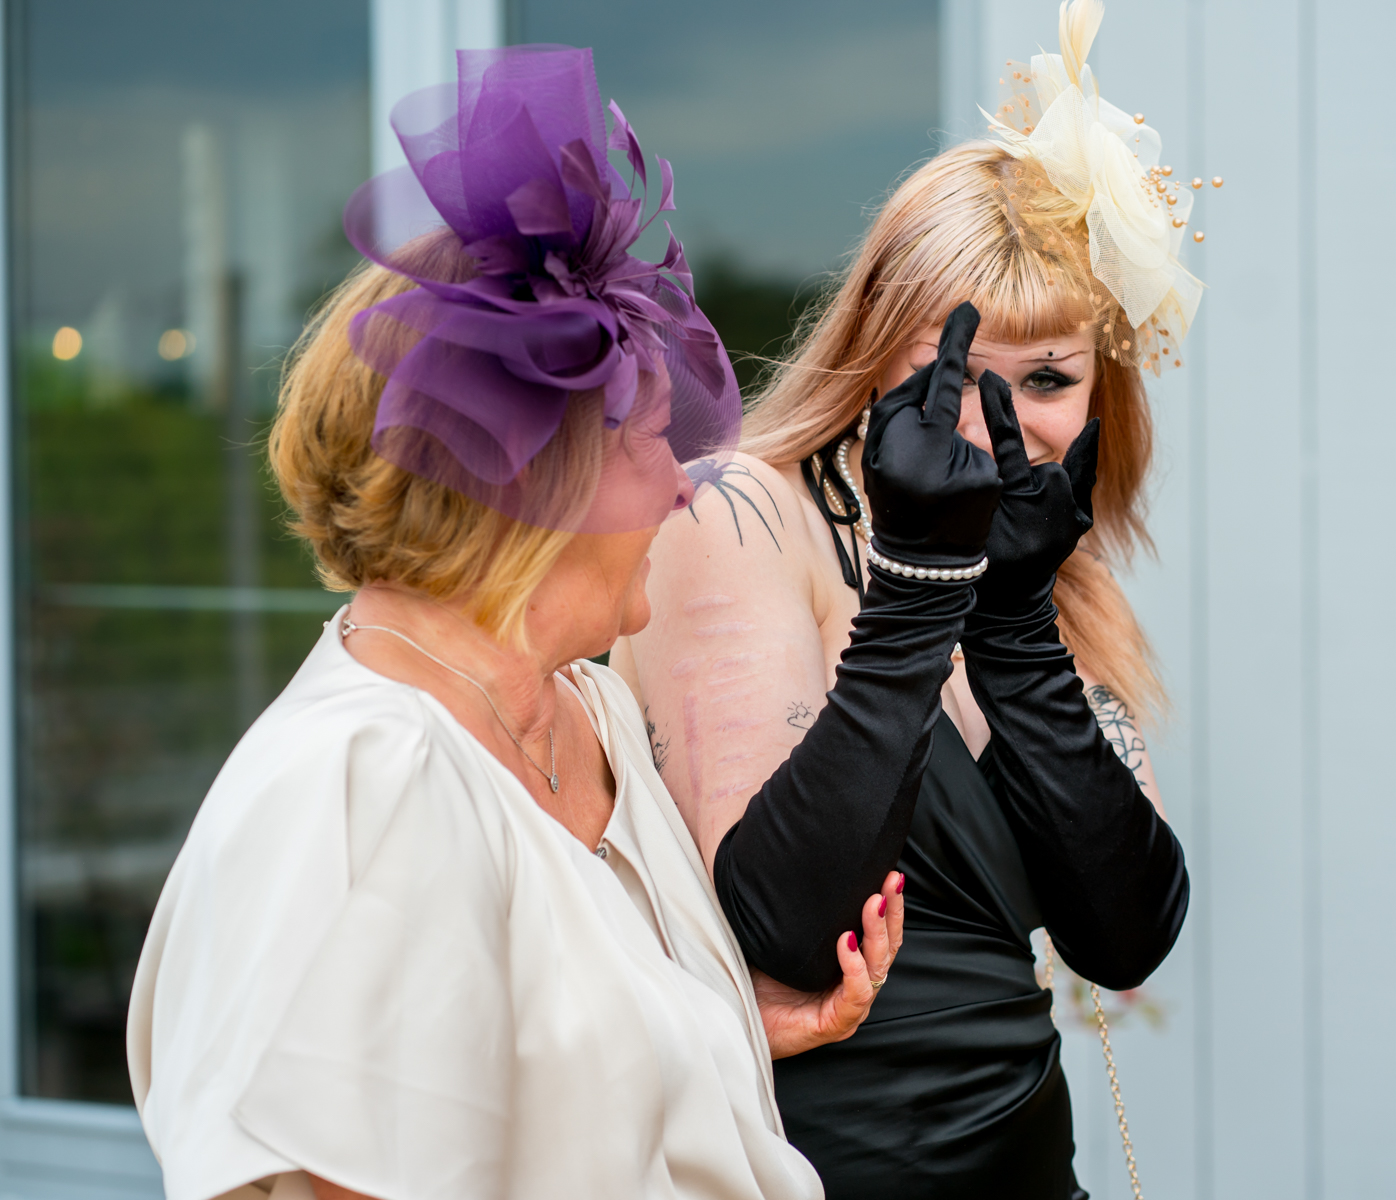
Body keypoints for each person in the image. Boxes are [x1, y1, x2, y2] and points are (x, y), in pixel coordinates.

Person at [125, 46, 910, 1200]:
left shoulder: (580, 707)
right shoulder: (363, 786)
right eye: (652, 441)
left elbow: (539, 1061)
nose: (689, 485)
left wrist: (728, 1028)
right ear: (530, 483)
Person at [610, 2, 1197, 1196]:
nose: (997, 420)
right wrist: (919, 588)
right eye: (954, 373)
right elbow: (781, 927)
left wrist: (1017, 627)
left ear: (1103, 392)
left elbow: (1124, 931)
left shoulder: (1050, 572)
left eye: (1047, 379)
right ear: (877, 350)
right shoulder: (744, 515)